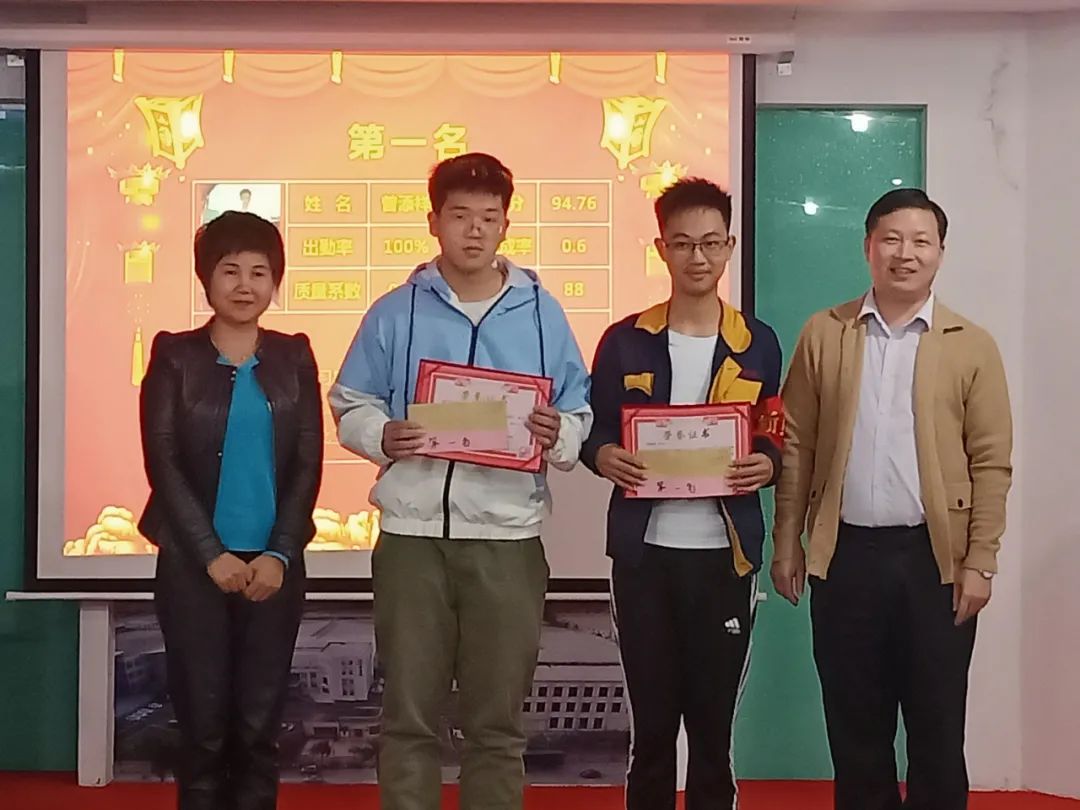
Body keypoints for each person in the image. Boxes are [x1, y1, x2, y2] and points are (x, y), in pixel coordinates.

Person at [329, 153, 592, 810]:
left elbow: (578, 409)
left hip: (507, 538)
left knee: (496, 725)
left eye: (488, 217)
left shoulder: (543, 313)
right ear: (433, 222)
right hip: (412, 537)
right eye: (459, 216)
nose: (474, 230)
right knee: (408, 718)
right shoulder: (395, 311)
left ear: (506, 225)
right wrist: (381, 434)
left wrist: (559, 431)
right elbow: (351, 400)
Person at [772, 188, 1013, 810]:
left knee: (937, 729)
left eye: (921, 242)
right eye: (891, 240)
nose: (905, 254)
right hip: (846, 558)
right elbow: (796, 444)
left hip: (936, 564)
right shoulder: (824, 333)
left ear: (940, 253)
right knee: (855, 729)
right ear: (868, 247)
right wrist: (787, 542)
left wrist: (980, 561)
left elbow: (991, 462)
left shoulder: (970, 344)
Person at [581, 178, 784, 810]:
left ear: (730, 247)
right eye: (683, 244)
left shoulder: (759, 342)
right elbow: (594, 428)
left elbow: (775, 432)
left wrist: (768, 464)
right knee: (652, 727)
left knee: (712, 727)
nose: (698, 257)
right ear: (661, 249)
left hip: (725, 557)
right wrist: (602, 454)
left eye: (711, 243)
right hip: (645, 557)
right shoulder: (625, 339)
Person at [138, 211, 324, 810]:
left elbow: (307, 465)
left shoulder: (295, 358)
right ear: (206, 278)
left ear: (276, 281)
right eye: (230, 270)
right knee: (203, 733)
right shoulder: (174, 356)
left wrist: (280, 554)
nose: (245, 285)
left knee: (257, 732)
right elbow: (163, 461)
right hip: (194, 568)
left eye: (259, 272)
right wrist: (210, 555)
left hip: (273, 568)